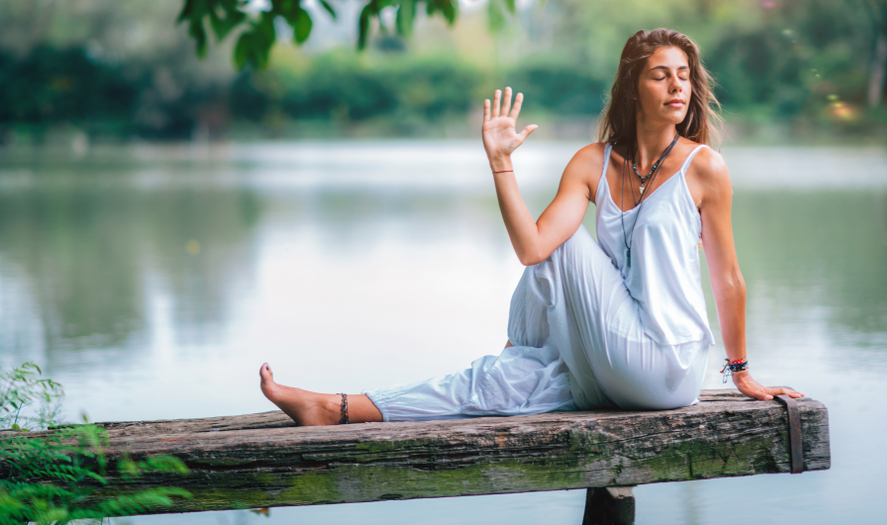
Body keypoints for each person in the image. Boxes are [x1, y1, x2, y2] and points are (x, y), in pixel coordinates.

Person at [259, 28, 803, 426]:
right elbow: (530, 246)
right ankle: (336, 407)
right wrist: (501, 163)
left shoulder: (703, 166)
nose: (677, 87)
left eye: (684, 76)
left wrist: (740, 371)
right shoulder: (593, 162)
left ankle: (520, 355)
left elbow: (727, 278)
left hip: (670, 366)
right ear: (633, 87)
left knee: (559, 253)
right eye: (660, 75)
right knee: (492, 382)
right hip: (614, 357)